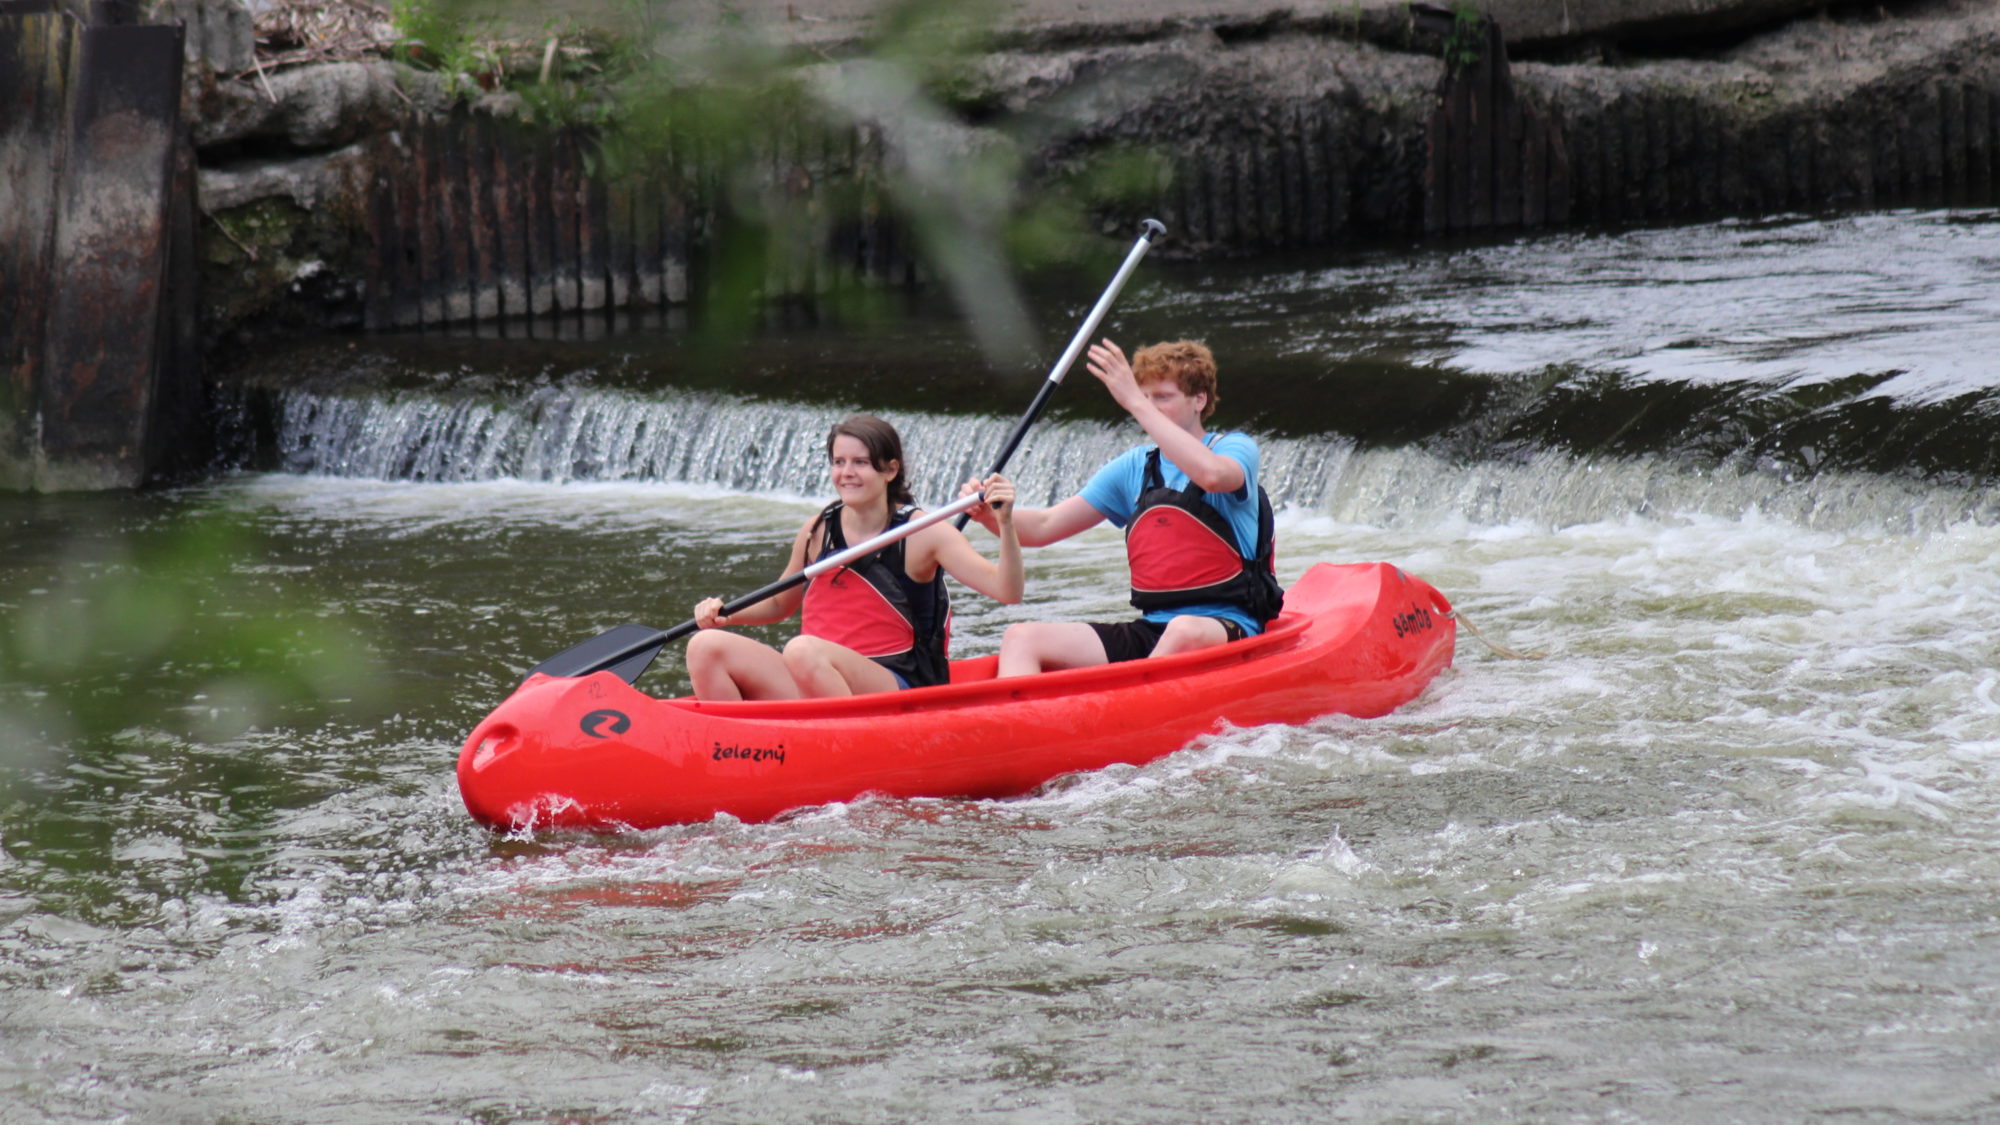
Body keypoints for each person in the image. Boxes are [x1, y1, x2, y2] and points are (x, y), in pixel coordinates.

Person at [961, 338, 1281, 677]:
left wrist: (1134, 402)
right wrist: (995, 517)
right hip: (1154, 628)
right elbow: (1043, 527)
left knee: (1184, 630)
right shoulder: (1133, 468)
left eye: (1163, 397)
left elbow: (1213, 476)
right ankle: (1019, 724)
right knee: (1022, 636)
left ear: (1199, 400)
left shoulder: (1235, 448)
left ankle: (1134, 712)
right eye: (1144, 397)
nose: (1150, 407)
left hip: (1228, 626)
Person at [687, 414, 1022, 701]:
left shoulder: (924, 532)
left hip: (898, 686)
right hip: (815, 674)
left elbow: (1007, 591)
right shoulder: (817, 530)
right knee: (705, 646)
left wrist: (1005, 524)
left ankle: (844, 753)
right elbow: (779, 605)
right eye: (839, 462)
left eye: (860, 462)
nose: (846, 472)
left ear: (890, 471)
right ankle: (742, 753)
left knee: (803, 649)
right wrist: (726, 614)